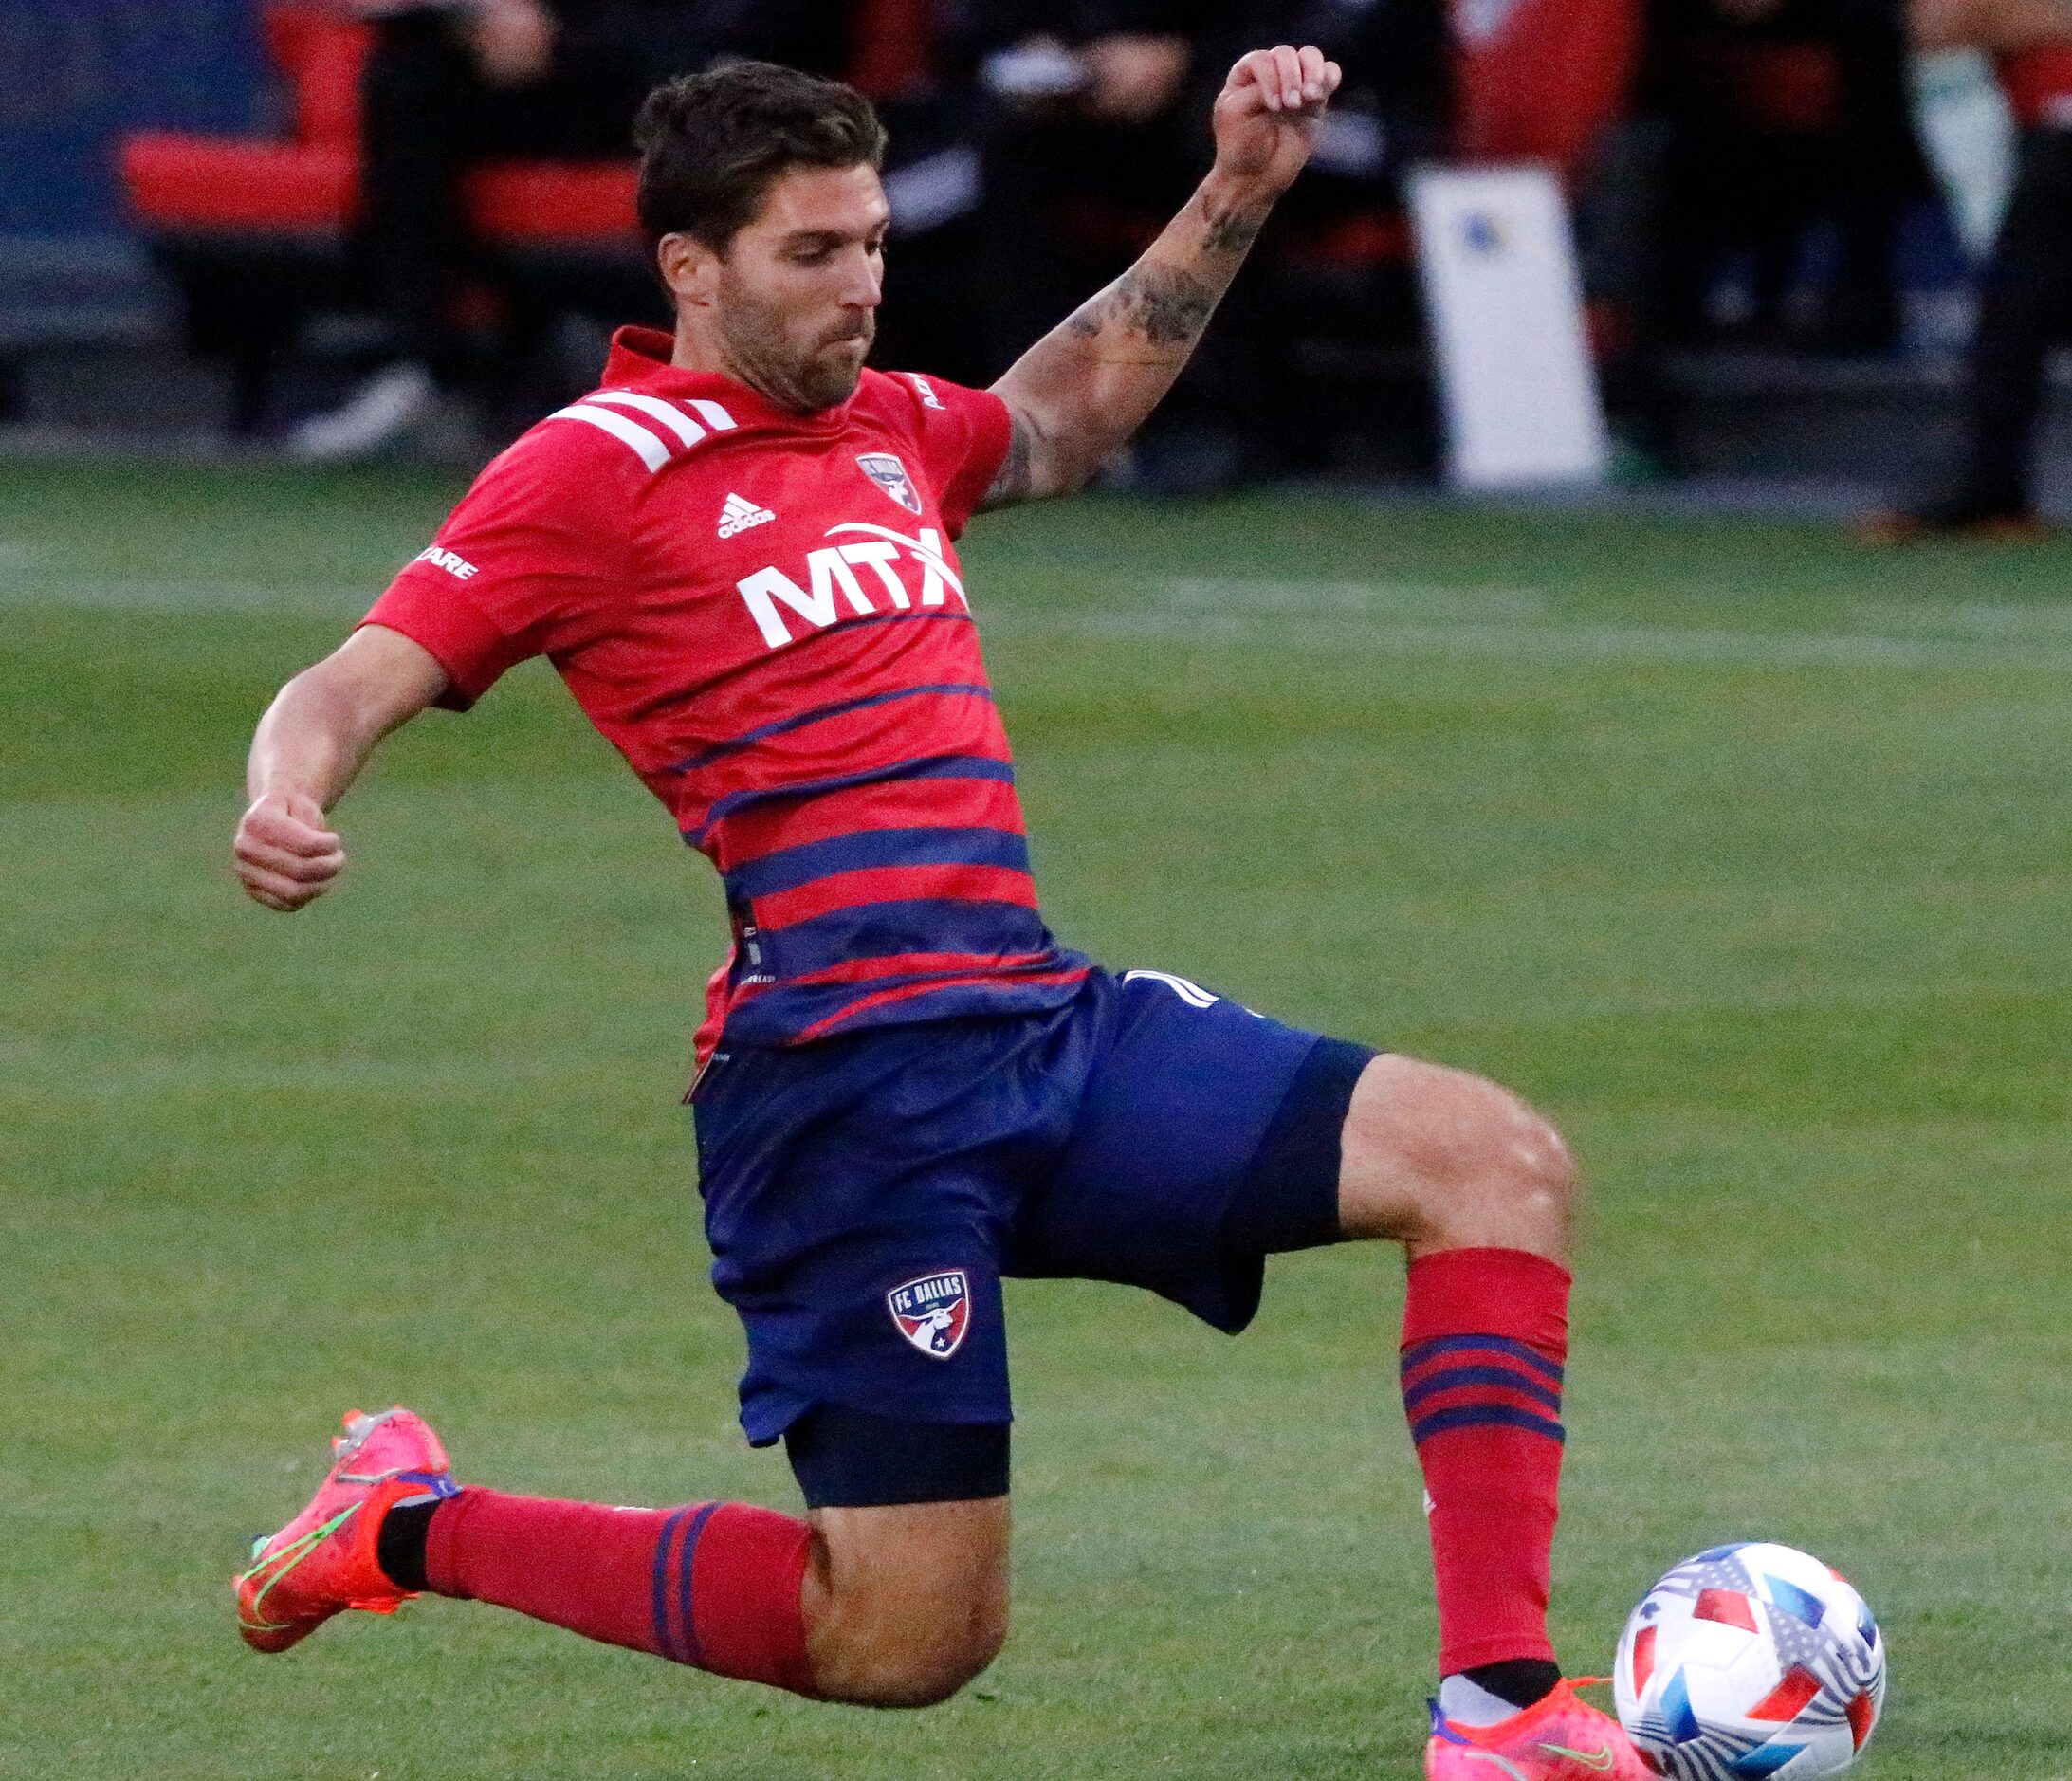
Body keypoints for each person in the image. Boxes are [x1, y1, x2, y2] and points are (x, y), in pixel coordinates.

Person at [229, 52, 1649, 1781]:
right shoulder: (591, 471)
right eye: (814, 251)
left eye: (874, 241)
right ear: (692, 266)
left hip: (1041, 1031)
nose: (863, 282)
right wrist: (288, 789)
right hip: (841, 1096)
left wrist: (1241, 186)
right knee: (903, 1639)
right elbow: (356, 672)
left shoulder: (892, 424)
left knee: (1492, 1158)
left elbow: (1062, 413)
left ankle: (1501, 1713)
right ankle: (408, 1522)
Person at [289, 0, 839, 463]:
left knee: (712, 93)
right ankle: (429, 367)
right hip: (551, 65)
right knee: (409, 72)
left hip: (703, 65)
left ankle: (738, 394)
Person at [1861, 0, 2072, 540]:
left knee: (2017, 300)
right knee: (2015, 301)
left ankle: (1988, 480)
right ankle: (1989, 481)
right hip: (2044, 124)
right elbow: (1942, 23)